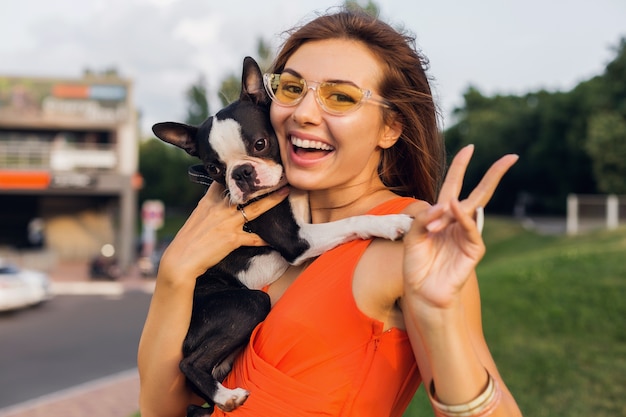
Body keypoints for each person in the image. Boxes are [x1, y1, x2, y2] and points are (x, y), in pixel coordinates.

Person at [138, 7, 523, 417]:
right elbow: (163, 411)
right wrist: (175, 273)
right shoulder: (240, 227)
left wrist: (440, 316)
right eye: (290, 88)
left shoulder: (411, 238)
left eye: (341, 96)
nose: (304, 112)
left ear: (390, 127)